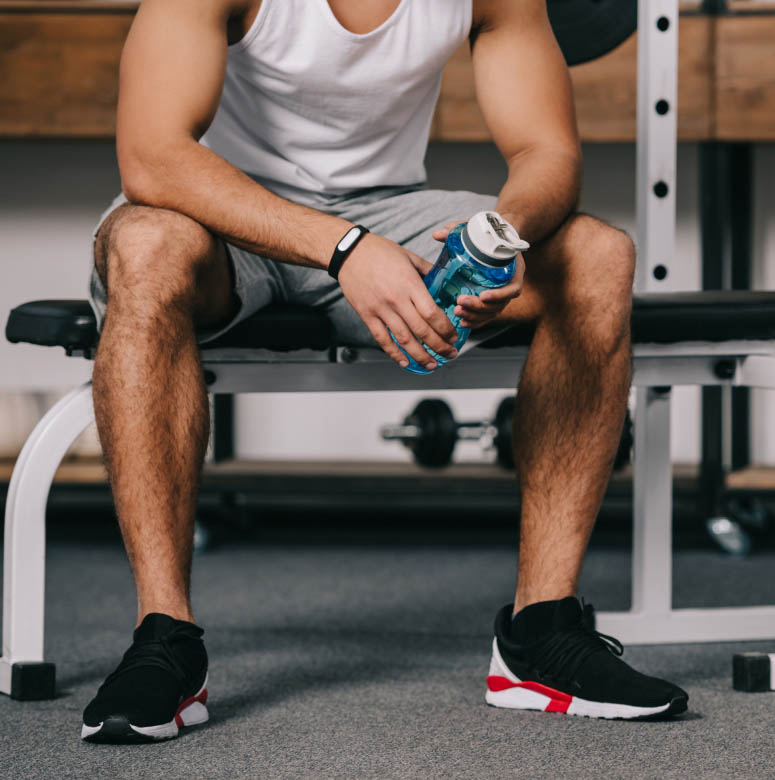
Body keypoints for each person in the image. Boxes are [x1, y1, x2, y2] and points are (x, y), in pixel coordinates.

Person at [81, 0, 688, 743]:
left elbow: (546, 150)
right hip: (221, 214)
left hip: (385, 213)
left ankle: (541, 634)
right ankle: (165, 639)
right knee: (144, 245)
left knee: (597, 258)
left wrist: (499, 237)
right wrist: (343, 247)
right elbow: (153, 156)